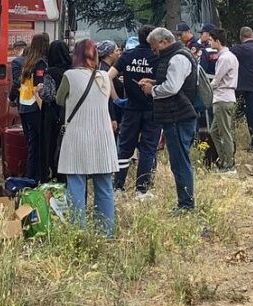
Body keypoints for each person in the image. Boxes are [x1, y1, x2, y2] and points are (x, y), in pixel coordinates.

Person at [55, 39, 119, 237]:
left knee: (75, 184)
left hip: (77, 137)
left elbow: (59, 99)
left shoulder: (70, 75)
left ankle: (78, 232)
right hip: (103, 137)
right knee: (105, 186)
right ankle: (105, 232)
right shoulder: (104, 77)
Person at [140, 27, 199, 212]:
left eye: (154, 47)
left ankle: (186, 205)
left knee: (180, 162)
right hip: (176, 115)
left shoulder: (177, 58)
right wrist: (155, 82)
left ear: (164, 41)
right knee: (179, 161)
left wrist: (153, 91)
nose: (154, 51)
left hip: (178, 116)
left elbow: (173, 87)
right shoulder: (176, 56)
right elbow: (175, 82)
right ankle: (185, 202)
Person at [107, 25, 162, 196]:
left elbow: (108, 76)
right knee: (147, 149)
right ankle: (142, 189)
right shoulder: (157, 57)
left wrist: (116, 99)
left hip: (130, 108)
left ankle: (118, 186)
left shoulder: (128, 56)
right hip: (152, 108)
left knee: (125, 148)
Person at [14, 33, 50, 182]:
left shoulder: (27, 61)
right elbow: (39, 87)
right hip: (35, 106)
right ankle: (40, 176)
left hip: (24, 106)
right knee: (40, 145)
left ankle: (31, 177)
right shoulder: (40, 63)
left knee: (32, 145)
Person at [40, 40, 73, 181]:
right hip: (70, 111)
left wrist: (40, 90)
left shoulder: (50, 72)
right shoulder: (72, 71)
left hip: (53, 113)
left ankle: (53, 173)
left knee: (52, 144)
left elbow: (48, 95)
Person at [208, 28, 238, 174]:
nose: (210, 42)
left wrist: (206, 87)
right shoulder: (228, 56)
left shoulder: (225, 58)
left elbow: (217, 80)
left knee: (225, 133)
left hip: (223, 98)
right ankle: (223, 158)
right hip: (224, 97)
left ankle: (229, 164)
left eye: (211, 40)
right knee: (213, 131)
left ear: (218, 41)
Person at [8, 40, 27, 106]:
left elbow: (17, 82)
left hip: (23, 97)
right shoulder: (33, 58)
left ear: (16, 50)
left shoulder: (17, 61)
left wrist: (11, 98)